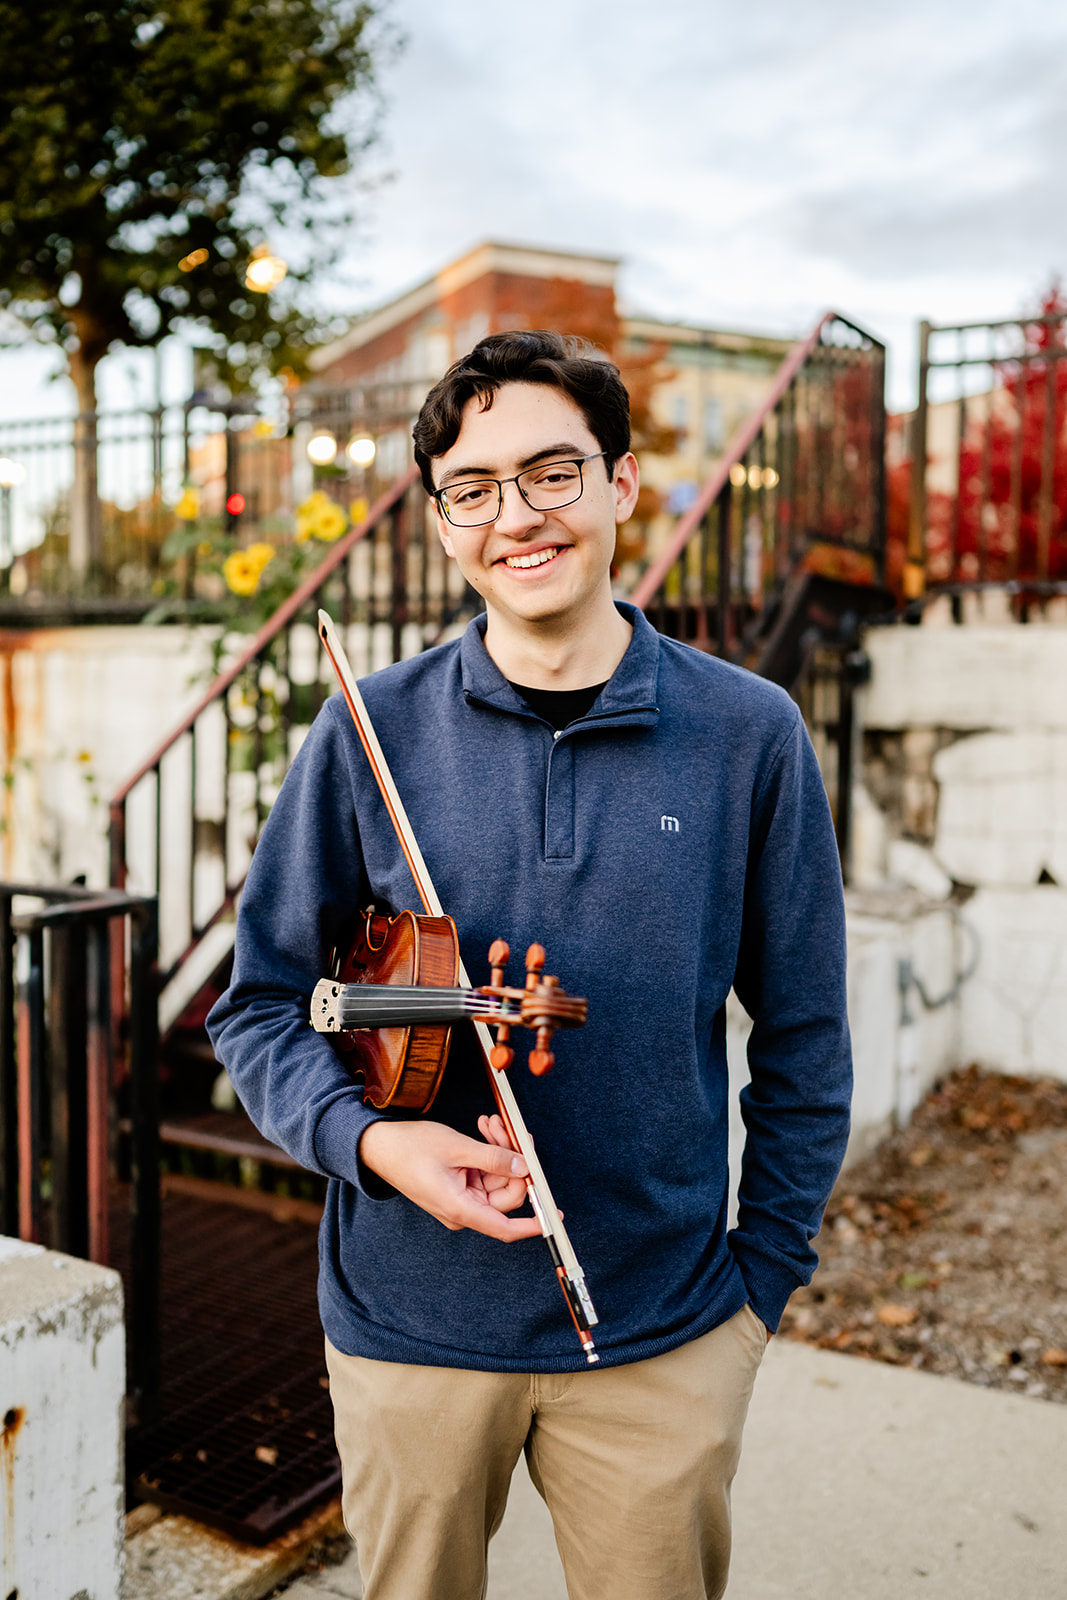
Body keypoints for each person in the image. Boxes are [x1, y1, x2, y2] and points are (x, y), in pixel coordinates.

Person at [207, 329, 852, 1600]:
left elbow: (804, 1040)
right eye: (475, 488)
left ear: (620, 483)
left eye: (552, 473)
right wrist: (371, 1141)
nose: (517, 516)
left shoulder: (747, 735)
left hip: (664, 1331)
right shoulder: (366, 731)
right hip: (407, 1330)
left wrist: (756, 1289)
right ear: (446, 524)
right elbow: (264, 1005)